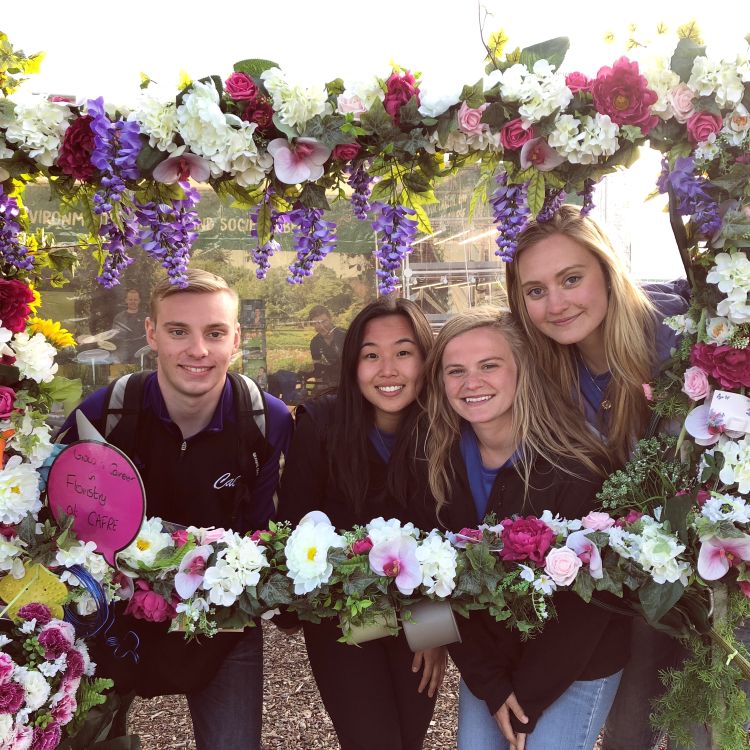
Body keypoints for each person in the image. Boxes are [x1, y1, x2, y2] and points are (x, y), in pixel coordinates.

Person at [57, 269, 293, 750]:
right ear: (151, 333)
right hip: (111, 619)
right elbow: (61, 521)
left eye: (215, 333)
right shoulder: (108, 412)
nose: (198, 351)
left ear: (236, 339)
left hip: (222, 620)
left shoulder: (266, 420)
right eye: (178, 331)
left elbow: (270, 535)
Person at [505, 205, 691, 750]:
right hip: (619, 592)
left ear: (608, 271)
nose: (556, 304)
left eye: (571, 279)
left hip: (702, 576)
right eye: (535, 290)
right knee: (629, 730)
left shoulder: (678, 347)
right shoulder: (542, 369)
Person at [409, 309, 628, 750]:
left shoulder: (580, 465)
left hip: (575, 659)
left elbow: (596, 601)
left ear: (522, 370)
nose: (472, 383)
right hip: (490, 659)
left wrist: (525, 699)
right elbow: (423, 576)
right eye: (456, 371)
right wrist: (489, 684)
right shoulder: (432, 461)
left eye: (489, 365)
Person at [277, 297, 446, 750]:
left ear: (426, 359)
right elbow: (293, 529)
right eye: (372, 355)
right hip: (341, 617)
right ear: (353, 364)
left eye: (404, 352)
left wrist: (436, 632)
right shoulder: (320, 425)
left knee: (410, 738)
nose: (387, 369)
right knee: (373, 739)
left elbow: (446, 540)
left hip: (417, 613)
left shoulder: (445, 430)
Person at [307, 304, 346, 390]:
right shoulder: (315, 342)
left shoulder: (345, 335)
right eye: (316, 323)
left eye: (324, 321)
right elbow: (317, 368)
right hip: (330, 382)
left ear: (330, 319)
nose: (321, 326)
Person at [113, 288, 148, 363]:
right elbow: (115, 338)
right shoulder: (119, 317)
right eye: (130, 299)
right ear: (126, 300)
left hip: (142, 356)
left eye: (135, 299)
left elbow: (151, 336)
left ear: (139, 301)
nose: (133, 302)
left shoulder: (145, 317)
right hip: (123, 357)